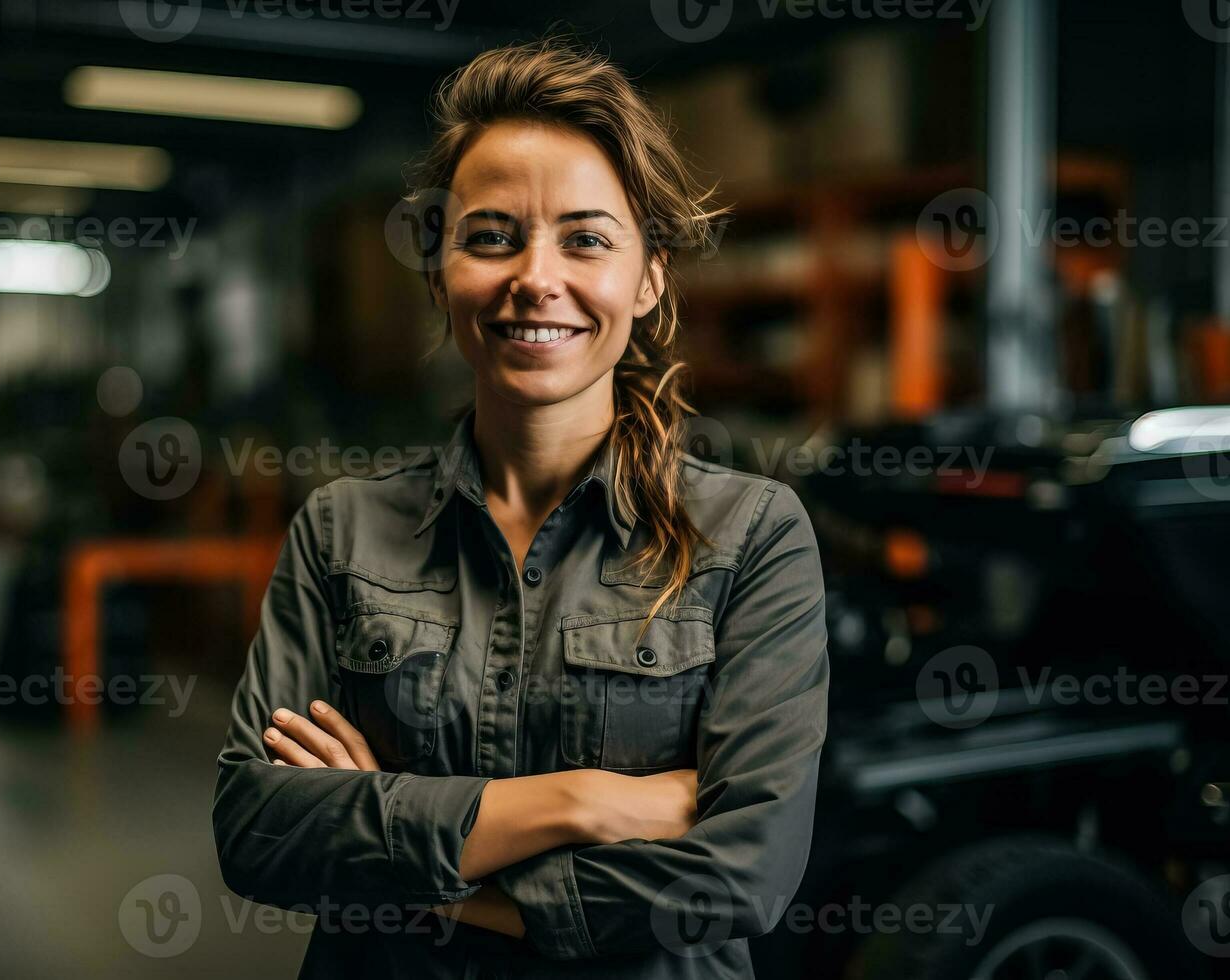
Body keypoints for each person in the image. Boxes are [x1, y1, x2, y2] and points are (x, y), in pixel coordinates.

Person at [213, 34, 830, 979]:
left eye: (586, 238)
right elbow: (259, 830)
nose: (535, 277)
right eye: (492, 236)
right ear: (440, 273)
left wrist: (406, 866)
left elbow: (741, 876)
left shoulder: (751, 538)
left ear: (650, 274)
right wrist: (583, 802)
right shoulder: (341, 532)